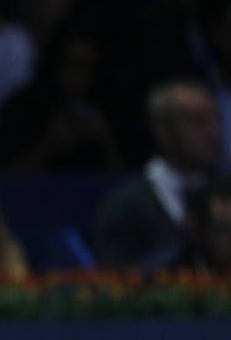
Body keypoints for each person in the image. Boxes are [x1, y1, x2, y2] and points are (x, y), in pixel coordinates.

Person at [91, 80, 221, 271]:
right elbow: (113, 286)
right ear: (163, 132)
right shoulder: (124, 206)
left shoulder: (223, 193)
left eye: (216, 119)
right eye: (196, 121)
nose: (213, 131)